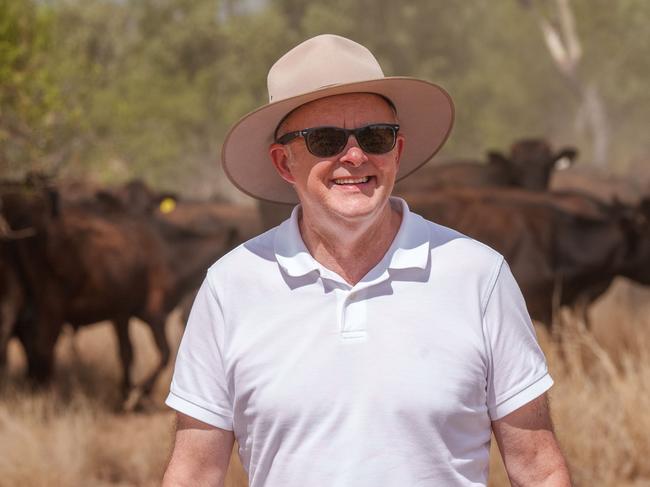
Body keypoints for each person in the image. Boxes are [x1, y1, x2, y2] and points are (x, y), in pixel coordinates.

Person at [162, 34, 571, 486]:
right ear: (283, 162)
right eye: (324, 140)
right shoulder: (230, 286)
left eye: (376, 136)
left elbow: (538, 468)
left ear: (396, 151)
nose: (355, 156)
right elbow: (195, 472)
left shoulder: (479, 275)